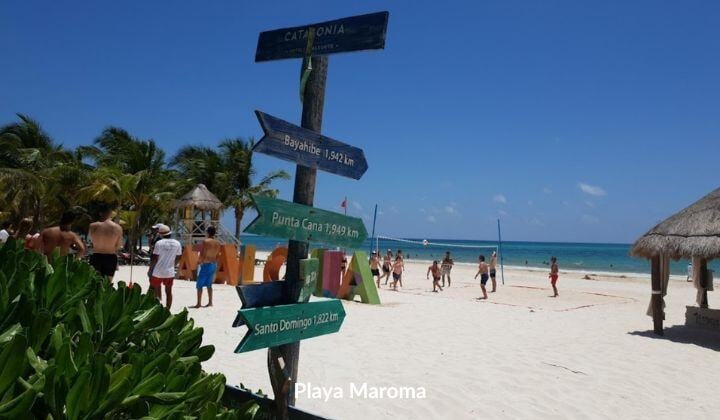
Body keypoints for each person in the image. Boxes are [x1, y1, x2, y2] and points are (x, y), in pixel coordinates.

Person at [150, 224, 182, 309]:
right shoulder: (177, 243)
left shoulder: (159, 243)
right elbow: (179, 257)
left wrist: (151, 269)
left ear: (160, 234)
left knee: (155, 291)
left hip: (158, 271)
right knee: (168, 292)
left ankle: (156, 308)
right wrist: (173, 264)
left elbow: (154, 258)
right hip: (170, 272)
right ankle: (167, 310)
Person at [88, 204, 123, 281]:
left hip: (96, 256)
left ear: (100, 213)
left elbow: (90, 241)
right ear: (110, 213)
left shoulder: (92, 226)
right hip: (110, 257)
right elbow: (119, 246)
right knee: (107, 284)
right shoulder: (117, 228)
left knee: (94, 283)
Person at [194, 226, 220, 308]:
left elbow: (203, 253)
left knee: (199, 285)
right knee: (209, 284)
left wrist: (199, 261)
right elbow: (217, 255)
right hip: (213, 264)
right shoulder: (217, 242)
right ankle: (210, 302)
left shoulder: (206, 241)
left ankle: (199, 303)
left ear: (208, 232)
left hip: (206, 264)